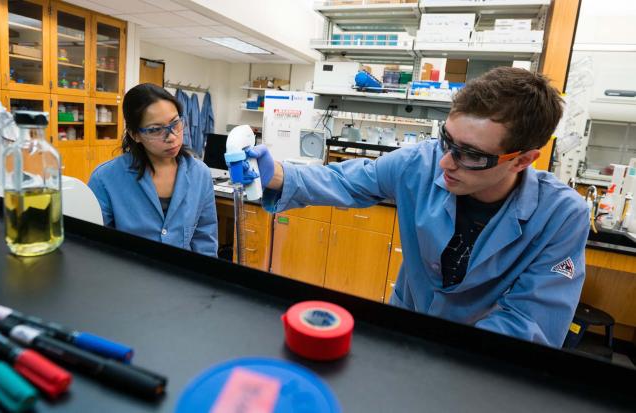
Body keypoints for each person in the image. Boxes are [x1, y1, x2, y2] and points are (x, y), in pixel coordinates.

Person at [246, 67, 588, 348]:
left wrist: (446, 355)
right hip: (403, 328)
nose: (445, 163)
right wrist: (277, 174)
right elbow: (347, 181)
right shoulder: (420, 161)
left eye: (470, 154)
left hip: (482, 357)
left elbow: (530, 319)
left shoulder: (561, 216)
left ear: (523, 160)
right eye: (447, 140)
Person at [89, 83, 218, 256]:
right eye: (156, 130)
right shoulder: (105, 179)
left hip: (182, 278)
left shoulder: (200, 174)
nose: (172, 137)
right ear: (135, 135)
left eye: (175, 123)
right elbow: (93, 246)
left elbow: (205, 240)